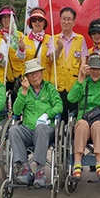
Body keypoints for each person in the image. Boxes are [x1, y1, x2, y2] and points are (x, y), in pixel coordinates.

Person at [9, 58, 63, 187]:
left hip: (46, 128)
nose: (35, 76)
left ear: (42, 73)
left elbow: (59, 106)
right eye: (31, 74)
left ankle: (40, 170)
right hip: (28, 129)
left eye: (37, 72)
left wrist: (47, 115)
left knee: (41, 128)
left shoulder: (49, 88)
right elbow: (16, 111)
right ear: (26, 77)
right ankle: (25, 168)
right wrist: (22, 93)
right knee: (13, 130)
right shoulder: (24, 91)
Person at [67, 52, 100, 180]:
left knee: (97, 126)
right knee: (81, 124)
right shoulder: (84, 82)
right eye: (93, 69)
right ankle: (77, 164)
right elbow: (71, 98)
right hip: (84, 119)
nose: (95, 72)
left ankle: (99, 164)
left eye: (98, 69)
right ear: (88, 69)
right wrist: (80, 78)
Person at [48, 7, 89, 122]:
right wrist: (59, 48)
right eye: (64, 19)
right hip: (57, 86)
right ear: (60, 20)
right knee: (59, 117)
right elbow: (52, 58)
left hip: (74, 86)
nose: (66, 22)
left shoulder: (80, 39)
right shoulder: (53, 38)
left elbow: (83, 61)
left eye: (69, 19)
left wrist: (81, 81)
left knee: (75, 117)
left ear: (74, 22)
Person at [16, 8, 53, 82]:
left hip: (46, 80)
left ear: (44, 22)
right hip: (29, 80)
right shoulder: (24, 39)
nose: (37, 22)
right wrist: (21, 49)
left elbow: (53, 58)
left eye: (40, 19)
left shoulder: (50, 39)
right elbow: (20, 57)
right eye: (34, 20)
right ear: (31, 23)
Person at [0, 6, 24, 96]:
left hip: (19, 77)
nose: (6, 19)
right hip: (3, 77)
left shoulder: (20, 35)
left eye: (8, 16)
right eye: (3, 17)